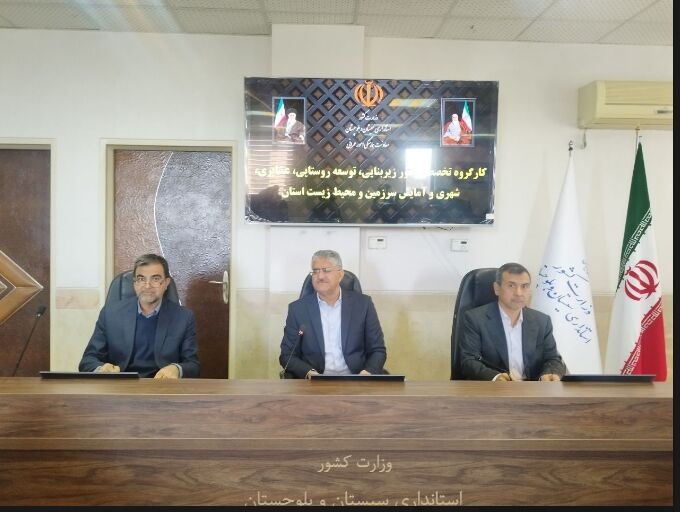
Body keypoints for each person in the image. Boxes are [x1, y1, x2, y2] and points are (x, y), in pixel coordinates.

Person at [79, 254, 200, 378]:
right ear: (135, 283)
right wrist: (101, 369)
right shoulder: (110, 314)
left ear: (166, 283)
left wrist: (177, 369)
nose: (147, 286)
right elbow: (87, 361)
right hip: (120, 384)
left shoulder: (183, 317)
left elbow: (193, 365)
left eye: (155, 279)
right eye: (141, 279)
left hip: (162, 384)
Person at [279, 250, 387, 378]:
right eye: (315, 271)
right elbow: (287, 355)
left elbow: (377, 350)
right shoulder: (298, 309)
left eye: (326, 270)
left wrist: (367, 373)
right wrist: (309, 373)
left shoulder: (363, 305)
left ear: (340, 275)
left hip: (355, 379)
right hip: (314, 382)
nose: (320, 276)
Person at [459, 262, 566, 381]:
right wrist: (495, 377)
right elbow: (468, 361)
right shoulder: (475, 319)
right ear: (497, 288)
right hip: (493, 388)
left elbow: (553, 359)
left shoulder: (542, 321)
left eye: (524, 286)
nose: (519, 293)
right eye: (511, 285)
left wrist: (549, 374)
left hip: (532, 389)